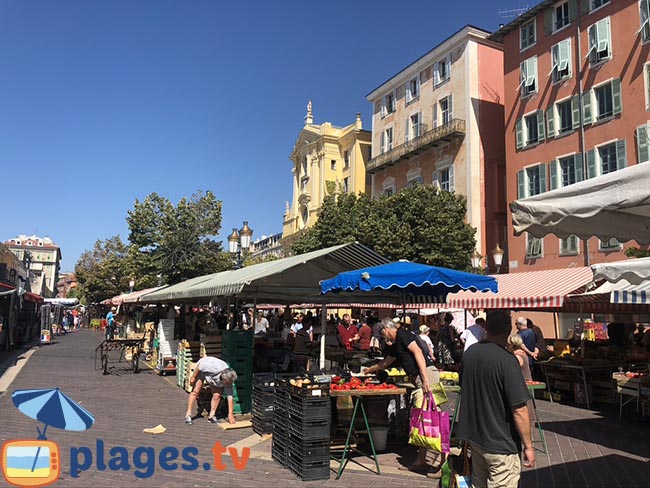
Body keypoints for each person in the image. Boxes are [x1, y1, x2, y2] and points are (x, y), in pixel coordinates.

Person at [457, 310, 535, 487]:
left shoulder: (470, 353)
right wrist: (528, 446)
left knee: (479, 483)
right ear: (508, 329)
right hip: (501, 443)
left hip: (476, 437)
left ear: (486, 328)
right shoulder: (507, 360)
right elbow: (520, 409)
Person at [363, 317, 439, 475]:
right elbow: (385, 363)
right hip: (419, 378)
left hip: (425, 376)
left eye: (382, 334)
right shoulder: (395, 344)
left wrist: (424, 379)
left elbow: (418, 352)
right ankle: (421, 460)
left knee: (430, 418)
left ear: (386, 329)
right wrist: (368, 370)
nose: (384, 338)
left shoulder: (403, 334)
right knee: (422, 419)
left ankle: (443, 462)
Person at [185, 356, 238, 425]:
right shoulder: (215, 368)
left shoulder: (229, 380)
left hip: (212, 378)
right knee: (195, 392)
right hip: (201, 371)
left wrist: (230, 415)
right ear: (224, 379)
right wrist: (193, 377)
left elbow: (230, 397)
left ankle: (212, 416)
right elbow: (200, 366)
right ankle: (188, 415)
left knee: (217, 395)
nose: (229, 385)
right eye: (228, 383)